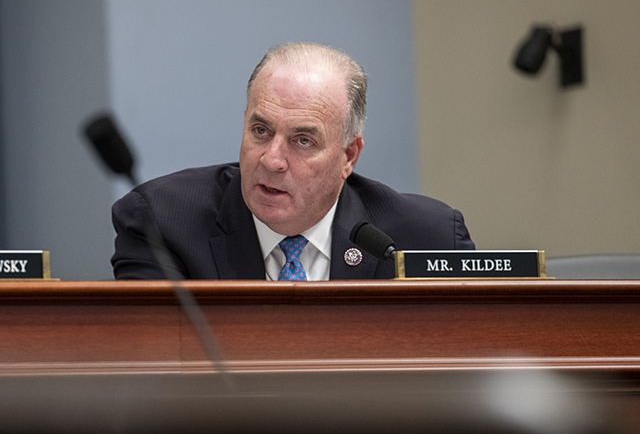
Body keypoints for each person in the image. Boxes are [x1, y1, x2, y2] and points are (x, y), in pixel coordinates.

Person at [111, 42, 474, 280]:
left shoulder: (428, 238)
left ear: (349, 156)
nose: (272, 160)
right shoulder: (163, 224)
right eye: (260, 131)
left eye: (303, 140)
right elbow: (149, 368)